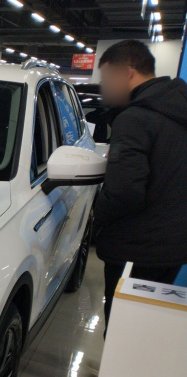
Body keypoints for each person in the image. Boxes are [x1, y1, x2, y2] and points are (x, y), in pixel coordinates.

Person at [95, 40, 187, 336]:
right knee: (144, 330)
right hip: (172, 247)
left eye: (107, 79)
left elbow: (124, 192)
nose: (104, 88)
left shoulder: (135, 118)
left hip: (136, 247)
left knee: (121, 332)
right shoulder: (177, 110)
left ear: (127, 72)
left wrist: (96, 215)